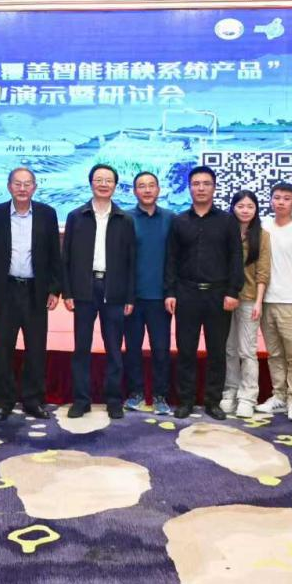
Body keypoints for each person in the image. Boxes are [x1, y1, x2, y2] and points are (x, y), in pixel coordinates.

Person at [0, 168, 62, 421]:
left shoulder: (47, 214)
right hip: (5, 290)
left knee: (36, 349)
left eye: (27, 184)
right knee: (3, 348)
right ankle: (3, 402)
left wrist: (54, 289)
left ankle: (33, 401)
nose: (22, 188)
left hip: (36, 290)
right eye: (17, 183)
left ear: (35, 187)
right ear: (9, 186)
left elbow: (54, 255)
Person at [165, 166, 244, 420]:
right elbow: (171, 259)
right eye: (196, 184)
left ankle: (213, 401)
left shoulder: (228, 221)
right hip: (186, 293)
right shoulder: (179, 221)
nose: (201, 188)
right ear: (189, 188)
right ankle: (186, 401)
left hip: (218, 295)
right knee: (186, 350)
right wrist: (170, 292)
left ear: (214, 187)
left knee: (217, 351)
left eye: (206, 183)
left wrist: (233, 291)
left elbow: (235, 257)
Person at [62, 163, 136, 419]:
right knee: (81, 348)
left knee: (114, 349)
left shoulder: (125, 219)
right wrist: (67, 292)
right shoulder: (76, 216)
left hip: (114, 289)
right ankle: (81, 400)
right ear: (90, 183)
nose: (103, 184)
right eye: (99, 180)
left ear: (115, 185)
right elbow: (66, 257)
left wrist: (129, 296)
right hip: (84, 288)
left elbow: (131, 261)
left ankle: (113, 400)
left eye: (108, 180)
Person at [257, 182, 292, 421]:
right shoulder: (263, 226)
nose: (280, 202)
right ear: (271, 200)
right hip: (266, 300)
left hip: (291, 300)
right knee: (274, 353)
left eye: (286, 198)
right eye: (277, 197)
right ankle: (279, 396)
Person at [125, 171, 175, 415]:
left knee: (161, 349)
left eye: (151, 185)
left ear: (158, 189)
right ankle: (135, 393)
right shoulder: (124, 218)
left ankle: (160, 396)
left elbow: (175, 258)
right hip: (132, 298)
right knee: (132, 348)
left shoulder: (170, 218)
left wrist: (171, 291)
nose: (147, 190)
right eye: (141, 186)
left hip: (160, 298)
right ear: (134, 191)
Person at [222, 190, 271, 419]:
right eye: (240, 206)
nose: (245, 210)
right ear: (233, 207)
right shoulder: (224, 232)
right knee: (229, 348)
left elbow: (263, 272)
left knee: (247, 350)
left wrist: (259, 301)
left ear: (256, 210)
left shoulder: (262, 235)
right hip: (225, 298)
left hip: (250, 298)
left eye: (250, 206)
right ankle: (230, 391)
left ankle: (248, 397)